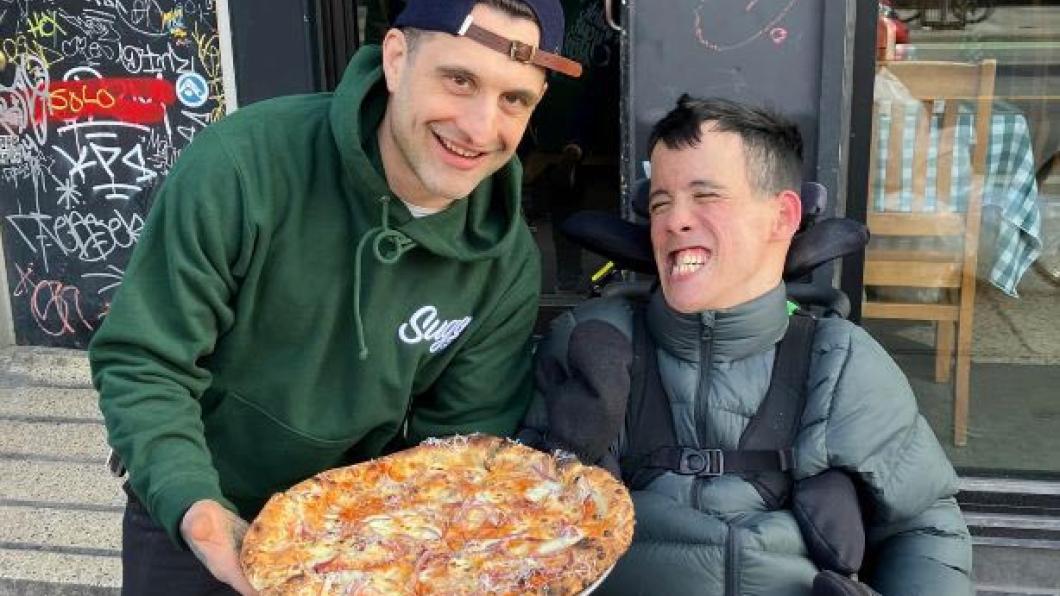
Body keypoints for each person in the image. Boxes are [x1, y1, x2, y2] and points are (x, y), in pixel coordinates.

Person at [89, 1, 582, 594]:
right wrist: (188, 499)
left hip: (356, 533)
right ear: (397, 59)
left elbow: (454, 452)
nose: (480, 128)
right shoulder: (243, 166)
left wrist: (401, 551)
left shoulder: (503, 262)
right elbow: (146, 360)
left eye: (514, 100)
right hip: (198, 494)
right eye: (460, 80)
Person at [520, 96, 974, 595]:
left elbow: (925, 525)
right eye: (661, 203)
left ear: (782, 217)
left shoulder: (840, 363)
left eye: (705, 196)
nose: (674, 221)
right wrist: (556, 470)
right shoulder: (592, 345)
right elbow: (507, 523)